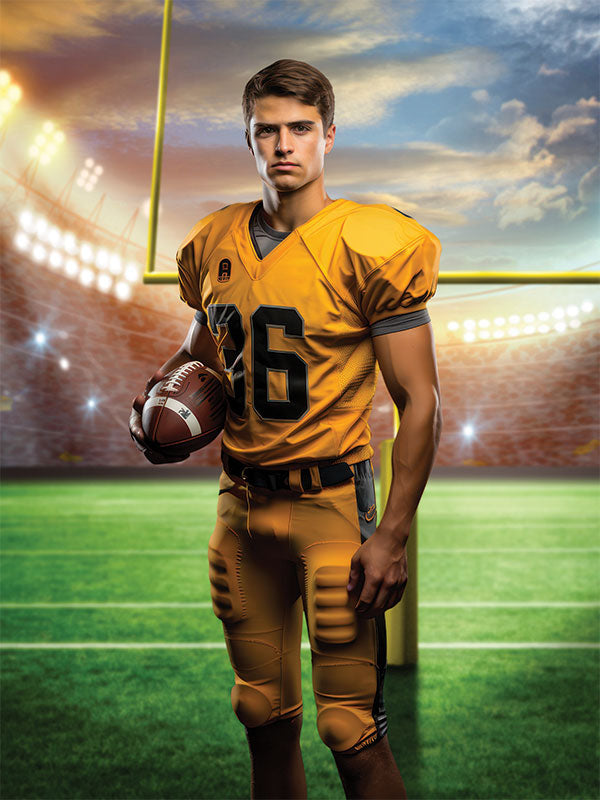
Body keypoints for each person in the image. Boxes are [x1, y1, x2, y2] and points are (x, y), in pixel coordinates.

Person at [129, 59, 442, 800]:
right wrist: (160, 400)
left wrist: (392, 534)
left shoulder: (372, 242)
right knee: (261, 714)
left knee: (348, 731)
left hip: (330, 506)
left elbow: (419, 399)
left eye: (300, 129)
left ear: (328, 135)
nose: (283, 146)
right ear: (248, 138)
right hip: (239, 507)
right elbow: (202, 354)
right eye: (266, 130)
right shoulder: (215, 241)